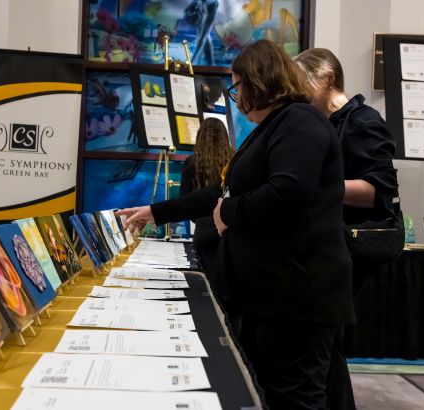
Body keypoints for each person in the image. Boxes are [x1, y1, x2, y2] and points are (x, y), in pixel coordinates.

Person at [118, 39, 355, 409]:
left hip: (297, 297)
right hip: (276, 294)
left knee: (294, 396)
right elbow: (223, 190)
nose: (237, 97)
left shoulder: (298, 121)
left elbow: (288, 191)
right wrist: (156, 211)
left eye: (237, 87)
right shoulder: (276, 125)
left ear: (259, 81)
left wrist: (228, 213)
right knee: (272, 390)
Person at [294, 47, 400, 410]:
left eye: (302, 83)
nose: (298, 93)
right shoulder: (326, 123)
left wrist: (317, 186)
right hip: (332, 244)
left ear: (326, 79)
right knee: (327, 341)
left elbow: (379, 191)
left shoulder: (362, 120)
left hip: (353, 244)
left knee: (324, 338)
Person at [179, 117, 233, 284]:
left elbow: (184, 201)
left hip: (203, 231)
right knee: (229, 283)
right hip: (230, 230)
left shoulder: (192, 162)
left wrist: (202, 220)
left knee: (206, 285)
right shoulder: (235, 159)